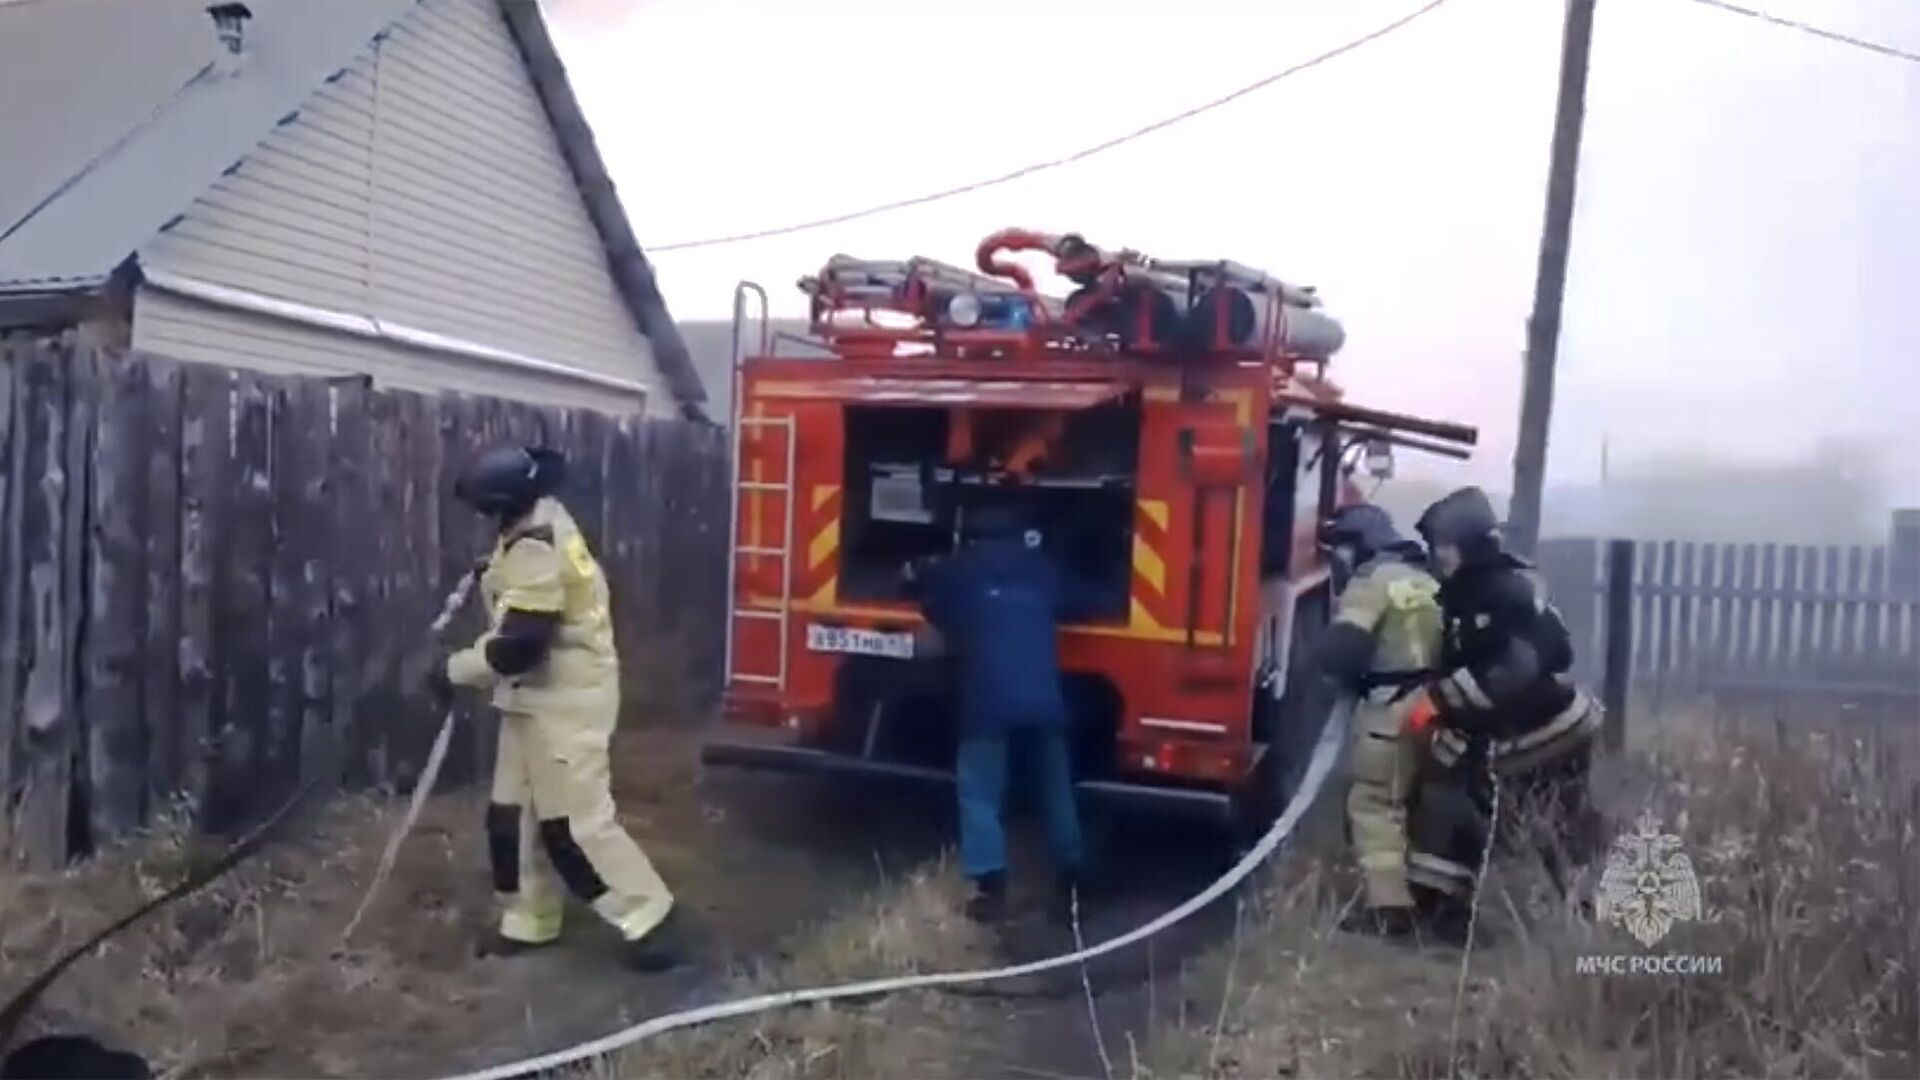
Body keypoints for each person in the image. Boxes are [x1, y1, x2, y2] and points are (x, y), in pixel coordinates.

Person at [427, 445, 681, 971]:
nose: (482, 517)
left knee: (575, 824)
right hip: (531, 699)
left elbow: (518, 645)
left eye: (484, 508)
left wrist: (452, 671)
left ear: (503, 503)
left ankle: (650, 919)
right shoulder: (534, 524)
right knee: (510, 817)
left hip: (567, 703)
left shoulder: (536, 547)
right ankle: (529, 920)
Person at [1403, 486, 1604, 944]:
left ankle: (1453, 916)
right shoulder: (1497, 584)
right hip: (1538, 727)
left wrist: (1439, 702)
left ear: (1469, 546)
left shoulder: (1490, 595)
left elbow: (1512, 672)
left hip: (1541, 732)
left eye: (1445, 546)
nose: (1438, 557)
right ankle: (1447, 911)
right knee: (1542, 819)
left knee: (1541, 819)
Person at [907, 505, 1099, 923]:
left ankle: (992, 889)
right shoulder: (1042, 569)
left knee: (979, 792)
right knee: (1055, 788)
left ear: (971, 538)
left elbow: (933, 604)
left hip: (989, 700)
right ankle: (1072, 877)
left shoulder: (962, 571)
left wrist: (922, 575)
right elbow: (1083, 600)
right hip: (1044, 699)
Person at [1310, 504, 1443, 939]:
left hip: (1391, 706)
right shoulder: (1427, 579)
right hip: (1442, 704)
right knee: (1418, 802)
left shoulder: (1373, 580)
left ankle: (1389, 908)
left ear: (1357, 547)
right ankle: (1435, 899)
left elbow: (1343, 649)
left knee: (1374, 803)